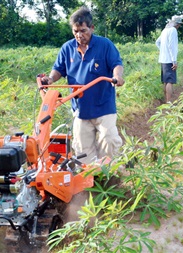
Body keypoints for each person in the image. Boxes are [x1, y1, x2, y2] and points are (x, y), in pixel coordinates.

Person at [41, 6, 125, 164]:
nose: (79, 35)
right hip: (80, 108)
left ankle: (110, 176)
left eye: (83, 31)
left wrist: (117, 76)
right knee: (82, 152)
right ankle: (88, 184)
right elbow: (58, 69)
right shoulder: (67, 48)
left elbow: (116, 64)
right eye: (75, 31)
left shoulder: (105, 45)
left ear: (92, 28)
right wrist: (50, 79)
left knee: (109, 141)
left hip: (103, 106)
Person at [156, 15, 182, 103]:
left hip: (163, 59)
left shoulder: (165, 30)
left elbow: (157, 42)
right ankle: (169, 102)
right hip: (169, 60)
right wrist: (174, 61)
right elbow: (172, 46)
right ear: (177, 24)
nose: (179, 26)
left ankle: (166, 101)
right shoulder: (173, 30)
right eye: (179, 24)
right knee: (170, 81)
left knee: (165, 81)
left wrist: (163, 51)